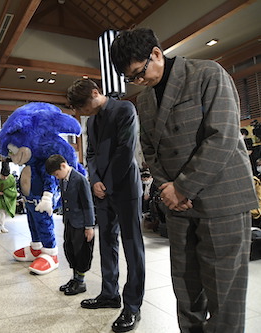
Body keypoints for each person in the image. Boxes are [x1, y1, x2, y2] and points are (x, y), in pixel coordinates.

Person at [110, 27, 257, 333]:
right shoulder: (147, 99)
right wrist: (168, 189)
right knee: (186, 289)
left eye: (139, 73)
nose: (138, 82)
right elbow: (150, 149)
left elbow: (222, 137)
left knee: (224, 291)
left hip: (221, 199)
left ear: (155, 54)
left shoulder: (206, 74)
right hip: (178, 205)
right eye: (131, 79)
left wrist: (182, 187)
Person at [67, 78, 145, 332]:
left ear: (95, 92)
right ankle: (109, 294)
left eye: (83, 106)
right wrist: (95, 181)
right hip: (102, 191)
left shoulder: (124, 110)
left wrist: (106, 184)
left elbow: (126, 150)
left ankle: (133, 306)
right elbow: (89, 154)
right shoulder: (91, 121)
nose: (82, 112)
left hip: (125, 189)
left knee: (133, 249)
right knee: (107, 243)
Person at [45, 154, 95, 296]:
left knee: (81, 252)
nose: (56, 177)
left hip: (80, 223)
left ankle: (81, 281)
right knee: (70, 249)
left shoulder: (80, 179)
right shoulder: (63, 180)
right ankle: (74, 279)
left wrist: (89, 226)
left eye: (56, 174)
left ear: (63, 166)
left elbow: (88, 204)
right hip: (69, 222)